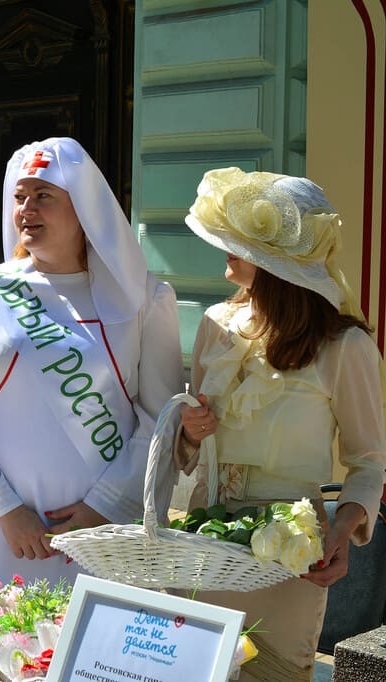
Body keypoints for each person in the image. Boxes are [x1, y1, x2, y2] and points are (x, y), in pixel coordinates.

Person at [0, 137, 183, 594]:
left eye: (44, 196)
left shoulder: (144, 300)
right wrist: (5, 510)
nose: (28, 208)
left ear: (85, 209)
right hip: (3, 538)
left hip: (104, 536)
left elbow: (161, 419)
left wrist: (105, 507)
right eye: (20, 197)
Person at [177, 167, 386, 680]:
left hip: (291, 554)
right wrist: (190, 431)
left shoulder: (346, 347)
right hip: (205, 540)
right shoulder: (213, 325)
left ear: (277, 263)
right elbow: (186, 443)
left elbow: (369, 460)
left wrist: (342, 530)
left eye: (238, 240)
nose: (224, 247)